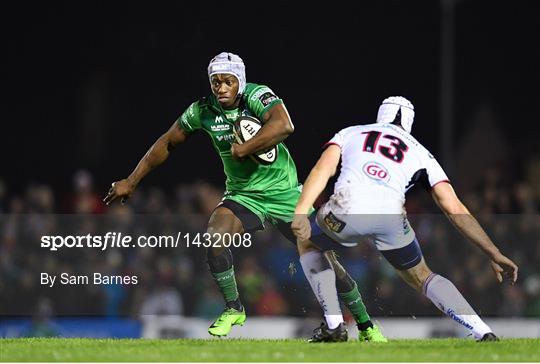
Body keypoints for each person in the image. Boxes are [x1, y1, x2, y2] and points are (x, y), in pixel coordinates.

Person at [103, 52, 385, 341]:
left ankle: (365, 325)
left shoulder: (257, 95)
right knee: (215, 236)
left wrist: (246, 147)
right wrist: (132, 180)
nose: (221, 88)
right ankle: (234, 308)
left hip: (285, 194)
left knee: (326, 263)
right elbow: (168, 141)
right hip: (243, 195)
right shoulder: (202, 110)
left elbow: (284, 125)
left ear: (240, 81)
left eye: (228, 81)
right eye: (215, 82)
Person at [292, 96, 519, 341]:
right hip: (391, 218)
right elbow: (454, 207)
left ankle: (334, 325)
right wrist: (493, 252)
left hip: (348, 208)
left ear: (380, 115)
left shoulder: (351, 132)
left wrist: (302, 211)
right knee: (423, 275)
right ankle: (482, 331)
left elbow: (322, 170)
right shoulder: (422, 154)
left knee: (308, 242)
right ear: (409, 123)